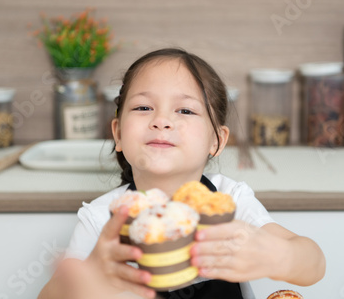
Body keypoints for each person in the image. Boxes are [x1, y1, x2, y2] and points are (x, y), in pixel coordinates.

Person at [38, 48, 326, 299]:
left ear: (217, 140)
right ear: (118, 134)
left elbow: (313, 264)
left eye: (185, 111)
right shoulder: (103, 219)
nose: (162, 120)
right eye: (143, 107)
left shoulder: (231, 201)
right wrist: (92, 275)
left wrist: (280, 257)